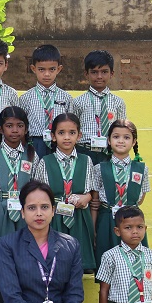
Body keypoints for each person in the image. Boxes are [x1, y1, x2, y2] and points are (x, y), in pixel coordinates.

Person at [33, 113, 96, 272]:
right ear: (53, 136)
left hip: (79, 216)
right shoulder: (45, 162)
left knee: (78, 262)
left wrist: (86, 197)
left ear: (79, 136)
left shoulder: (86, 161)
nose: (67, 137)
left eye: (72, 133)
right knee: (56, 263)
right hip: (54, 217)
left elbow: (91, 191)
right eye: (61, 133)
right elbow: (39, 193)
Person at [0, 106, 39, 261]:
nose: (15, 130)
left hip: (25, 207)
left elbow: (35, 185)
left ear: (26, 129)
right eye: (9, 126)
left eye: (20, 126)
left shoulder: (31, 155)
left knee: (24, 249)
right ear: (1, 129)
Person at [91, 119, 150, 266]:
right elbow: (95, 202)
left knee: (134, 264)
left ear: (134, 142)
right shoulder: (99, 168)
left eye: (126, 137)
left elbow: (141, 199)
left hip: (133, 220)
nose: (121, 141)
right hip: (107, 221)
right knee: (107, 263)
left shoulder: (141, 169)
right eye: (116, 137)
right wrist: (94, 229)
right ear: (109, 140)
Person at [17, 44, 74, 158]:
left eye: (52, 69)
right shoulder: (26, 98)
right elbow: (21, 125)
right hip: (35, 143)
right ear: (33, 69)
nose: (47, 74)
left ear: (59, 69)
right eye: (41, 69)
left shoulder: (66, 98)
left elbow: (71, 123)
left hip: (59, 142)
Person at [72, 50, 127, 165]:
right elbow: (72, 129)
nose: (99, 76)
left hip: (109, 152)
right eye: (94, 72)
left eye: (104, 72)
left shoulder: (118, 102)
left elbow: (122, 130)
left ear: (112, 74)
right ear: (86, 74)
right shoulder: (78, 102)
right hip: (84, 151)